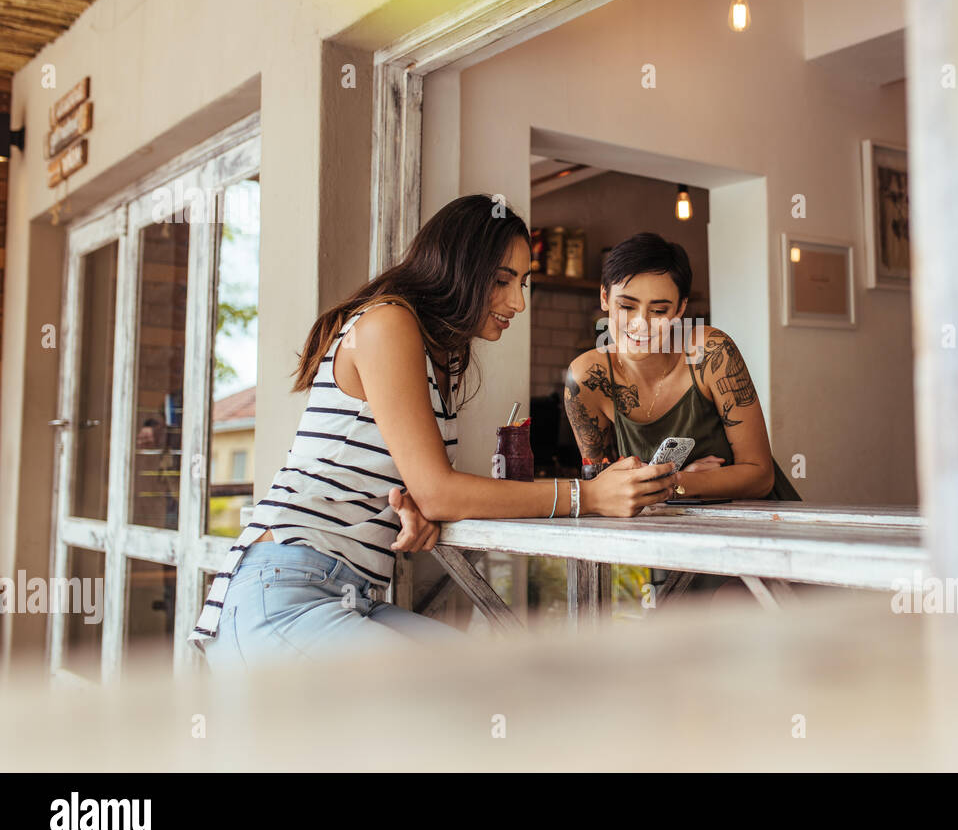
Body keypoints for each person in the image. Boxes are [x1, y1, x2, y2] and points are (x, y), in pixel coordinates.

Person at [189, 196, 678, 671]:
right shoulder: (388, 323)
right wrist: (587, 495)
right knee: (461, 703)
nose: (518, 302)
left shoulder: (436, 352)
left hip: (348, 595)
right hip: (282, 594)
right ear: (457, 267)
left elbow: (418, 484)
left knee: (498, 679)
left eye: (524, 282)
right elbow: (441, 490)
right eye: (502, 280)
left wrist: (414, 506)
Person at [562, 232, 800, 601]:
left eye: (659, 311)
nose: (641, 324)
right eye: (626, 306)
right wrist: (679, 481)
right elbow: (602, 492)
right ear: (604, 297)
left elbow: (759, 474)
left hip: (761, 542)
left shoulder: (710, 352)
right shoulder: (586, 381)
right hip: (669, 550)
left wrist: (671, 486)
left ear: (680, 309)